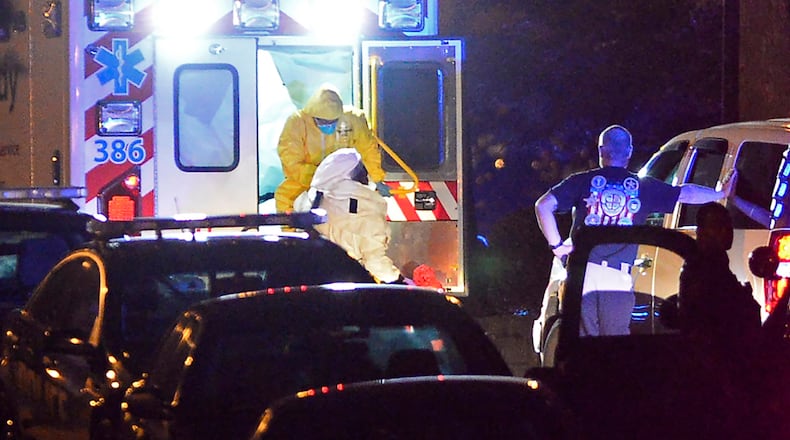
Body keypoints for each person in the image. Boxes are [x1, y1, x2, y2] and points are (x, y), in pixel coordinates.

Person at [534, 124, 736, 336]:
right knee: (615, 346)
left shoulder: (581, 181)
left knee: (583, 344)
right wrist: (719, 193)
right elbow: (685, 194)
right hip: (617, 278)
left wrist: (557, 246)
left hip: (581, 273)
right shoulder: (643, 187)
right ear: (629, 151)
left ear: (601, 149)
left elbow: (543, 205)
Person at [678, 202, 762, 440]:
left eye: (728, 225)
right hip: (715, 371)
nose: (727, 232)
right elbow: (707, 320)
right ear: (700, 232)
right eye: (718, 226)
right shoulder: (701, 269)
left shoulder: (716, 265)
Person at [295, 148, 409, 284]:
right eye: (362, 170)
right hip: (348, 284)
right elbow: (374, 262)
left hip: (314, 281)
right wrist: (399, 280)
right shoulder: (366, 208)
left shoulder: (315, 202)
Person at [275, 84, 389, 213]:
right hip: (305, 182)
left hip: (346, 183)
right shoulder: (297, 123)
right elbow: (291, 161)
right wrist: (323, 179)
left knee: (357, 212)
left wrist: (377, 178)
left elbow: (368, 150)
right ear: (313, 116)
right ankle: (295, 232)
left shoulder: (354, 119)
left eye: (333, 121)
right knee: (286, 200)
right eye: (323, 122)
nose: (328, 125)